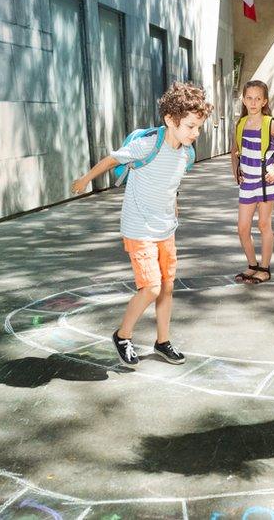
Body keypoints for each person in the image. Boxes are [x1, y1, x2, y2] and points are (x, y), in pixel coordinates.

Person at [70, 82, 213, 366]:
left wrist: (174, 210)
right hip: (139, 227)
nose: (195, 133)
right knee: (152, 288)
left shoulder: (186, 154)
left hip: (166, 229)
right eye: (190, 126)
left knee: (167, 287)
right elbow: (112, 159)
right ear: (170, 120)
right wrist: (86, 180)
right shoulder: (148, 144)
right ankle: (123, 335)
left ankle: (162, 341)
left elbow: (170, 186)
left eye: (198, 127)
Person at [230, 80, 274, 284]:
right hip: (247, 183)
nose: (253, 102)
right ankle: (252, 265)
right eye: (249, 98)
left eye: (258, 98)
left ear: (264, 101)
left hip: (266, 182)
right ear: (243, 99)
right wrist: (236, 171)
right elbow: (234, 151)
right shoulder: (241, 124)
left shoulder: (270, 124)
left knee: (264, 225)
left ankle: (264, 268)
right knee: (242, 228)